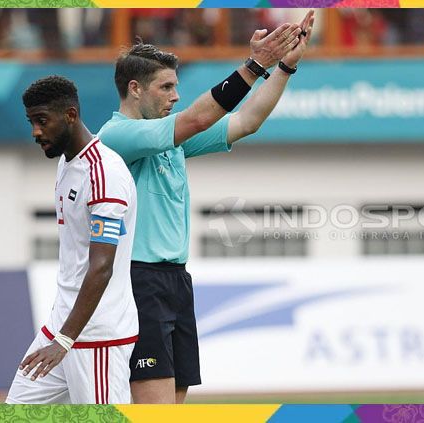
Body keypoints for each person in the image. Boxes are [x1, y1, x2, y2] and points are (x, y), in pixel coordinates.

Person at [96, 11, 315, 404]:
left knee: (176, 408)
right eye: (166, 87)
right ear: (134, 89)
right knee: (156, 410)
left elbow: (247, 121)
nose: (175, 96)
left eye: (176, 87)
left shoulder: (170, 137)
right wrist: (255, 64)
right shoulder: (116, 135)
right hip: (138, 282)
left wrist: (284, 66)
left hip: (176, 281)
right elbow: (197, 119)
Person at [6, 76, 138, 404]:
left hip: (96, 336)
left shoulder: (103, 173)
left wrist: (65, 340)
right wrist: (61, 335)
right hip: (61, 326)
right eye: (31, 122)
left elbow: (102, 266)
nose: (36, 131)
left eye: (42, 121)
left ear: (70, 115)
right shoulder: (68, 163)